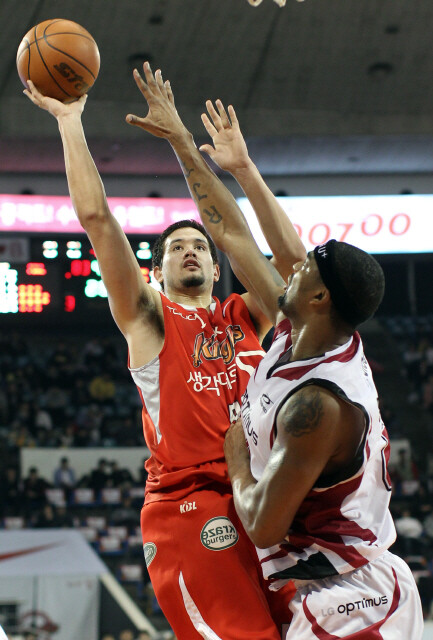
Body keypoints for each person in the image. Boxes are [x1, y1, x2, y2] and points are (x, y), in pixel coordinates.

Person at [120, 65, 424, 638]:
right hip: (317, 580)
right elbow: (236, 235)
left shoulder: (319, 404)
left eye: (305, 267)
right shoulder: (301, 330)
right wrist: (200, 151)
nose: (290, 262)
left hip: (350, 593)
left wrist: (235, 453)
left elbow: (260, 524)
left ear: (316, 295)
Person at [24, 65, 305, 639]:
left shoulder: (249, 314)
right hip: (193, 507)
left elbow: (252, 244)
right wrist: (71, 123)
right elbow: (99, 223)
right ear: (157, 270)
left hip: (266, 497)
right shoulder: (151, 317)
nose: (190, 252)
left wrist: (200, 151)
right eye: (176, 248)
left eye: (199, 244)